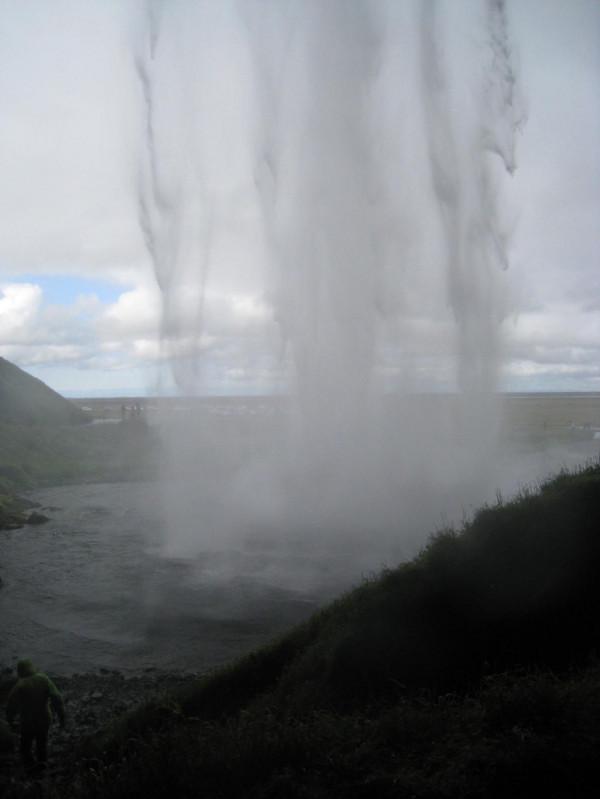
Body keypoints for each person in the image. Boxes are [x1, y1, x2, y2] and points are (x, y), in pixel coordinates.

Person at [6, 659, 65, 771]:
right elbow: (57, 698)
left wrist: (10, 721)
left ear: (20, 671)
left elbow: (11, 706)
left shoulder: (20, 685)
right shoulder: (44, 679)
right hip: (45, 719)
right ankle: (42, 766)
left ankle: (29, 767)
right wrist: (62, 717)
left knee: (25, 746)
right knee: (42, 743)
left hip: (27, 722)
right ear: (32, 667)